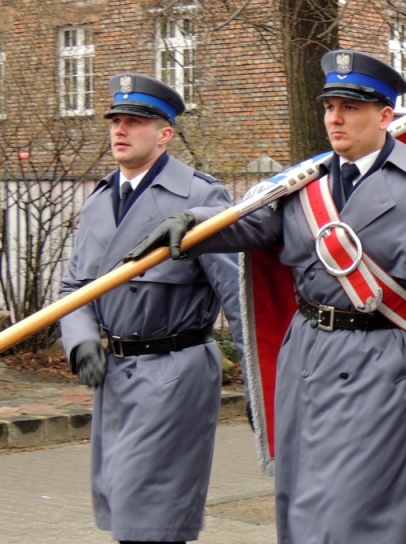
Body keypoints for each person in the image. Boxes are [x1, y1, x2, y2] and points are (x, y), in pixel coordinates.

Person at [124, 50, 406, 542]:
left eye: (350, 107)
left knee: (358, 513)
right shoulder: (304, 183)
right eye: (328, 107)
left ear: (385, 115)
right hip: (308, 358)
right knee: (302, 505)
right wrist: (191, 225)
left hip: (384, 362)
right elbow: (248, 226)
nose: (334, 118)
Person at [58, 73, 245, 543]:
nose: (120, 130)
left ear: (164, 134)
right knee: (127, 509)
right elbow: (74, 288)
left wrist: (258, 381)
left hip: (173, 371)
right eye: (115, 120)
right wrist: (81, 342)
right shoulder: (100, 200)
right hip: (116, 375)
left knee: (153, 517)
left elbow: (238, 294)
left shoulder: (200, 197)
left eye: (135, 121)